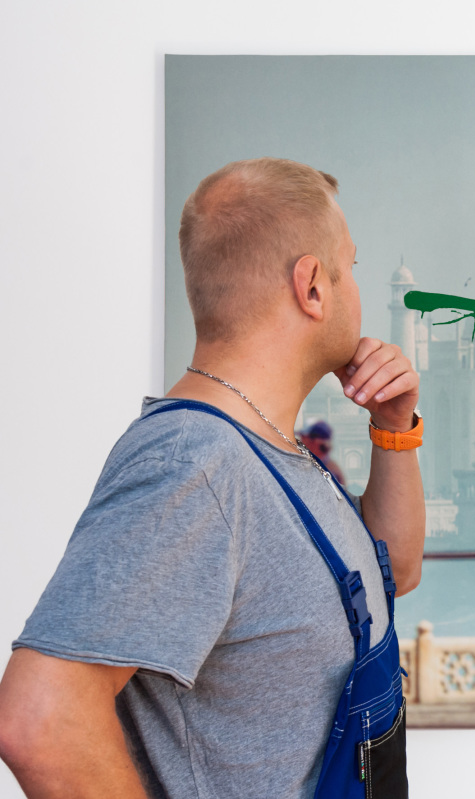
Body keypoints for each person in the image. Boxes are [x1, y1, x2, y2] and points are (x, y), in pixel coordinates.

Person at [0, 158, 426, 798]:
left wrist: (394, 429)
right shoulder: (195, 463)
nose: (358, 289)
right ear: (312, 286)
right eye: (353, 266)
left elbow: (397, 569)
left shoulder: (270, 448)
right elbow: (40, 720)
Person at [298, 419, 347, 485]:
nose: (301, 441)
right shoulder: (312, 464)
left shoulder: (329, 472)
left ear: (316, 441)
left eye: (303, 437)